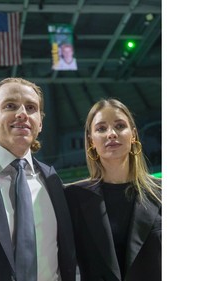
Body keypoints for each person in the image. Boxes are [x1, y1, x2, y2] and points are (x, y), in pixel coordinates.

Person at [0, 77, 76, 281]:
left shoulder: (53, 180)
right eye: (10, 106)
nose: (22, 114)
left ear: (40, 123)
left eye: (31, 107)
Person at [65, 98, 161, 281]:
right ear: (91, 140)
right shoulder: (73, 197)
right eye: (101, 129)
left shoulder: (161, 192)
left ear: (133, 135)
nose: (111, 134)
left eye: (120, 126)